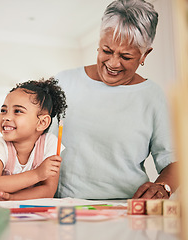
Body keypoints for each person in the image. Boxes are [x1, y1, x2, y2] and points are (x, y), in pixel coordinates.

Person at [52, 0, 178, 200]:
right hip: (66, 207)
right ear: (99, 41)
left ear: (145, 54)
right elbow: (29, 141)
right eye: (107, 51)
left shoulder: (152, 96)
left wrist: (163, 187)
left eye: (126, 57)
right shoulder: (64, 82)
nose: (112, 63)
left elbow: (173, 161)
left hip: (126, 210)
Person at [0, 78, 67, 200]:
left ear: (42, 123)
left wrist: (12, 198)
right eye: (3, 110)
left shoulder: (49, 144)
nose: (6, 117)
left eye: (18, 111)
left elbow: (48, 191)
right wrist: (37, 174)